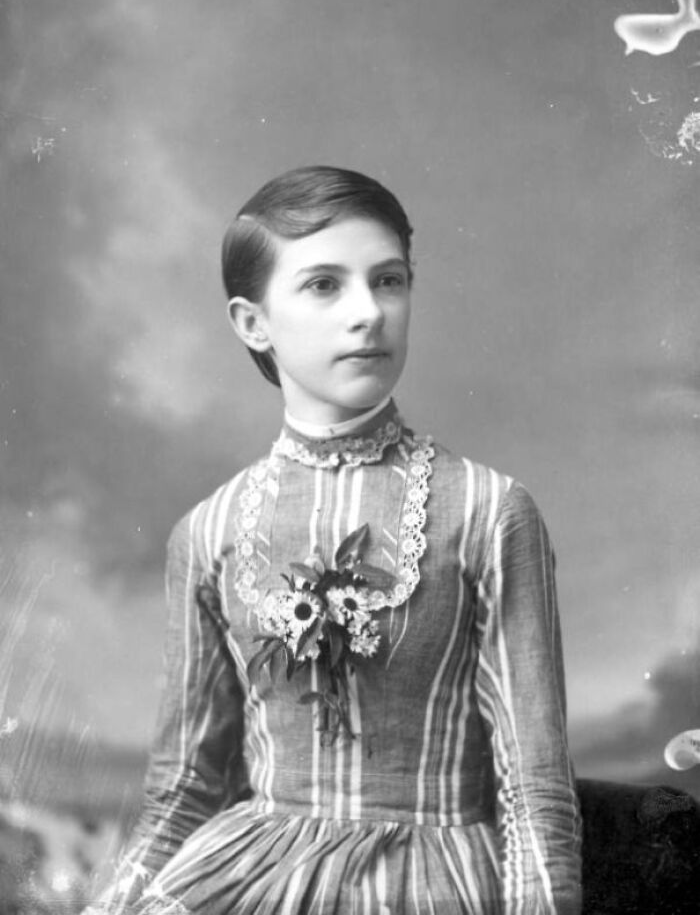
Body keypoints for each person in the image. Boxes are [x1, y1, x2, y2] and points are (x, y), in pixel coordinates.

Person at [87, 166, 582, 914]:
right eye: (324, 285)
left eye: (389, 281)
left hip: (434, 880)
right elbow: (185, 788)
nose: (369, 314)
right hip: (248, 881)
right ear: (253, 323)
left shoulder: (489, 510)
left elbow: (533, 788)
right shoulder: (210, 531)